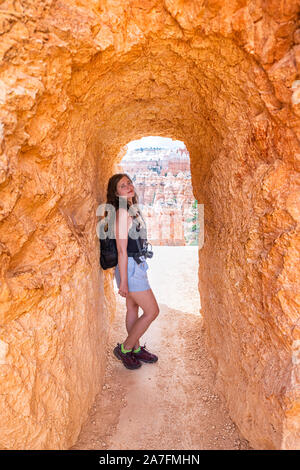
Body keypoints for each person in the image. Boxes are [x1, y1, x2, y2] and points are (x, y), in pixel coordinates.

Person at [105, 173, 160, 370]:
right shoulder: (122, 213)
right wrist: (124, 282)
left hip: (134, 266)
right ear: (115, 192)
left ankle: (135, 349)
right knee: (152, 311)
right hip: (130, 269)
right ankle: (125, 348)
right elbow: (121, 249)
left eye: (129, 183)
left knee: (132, 309)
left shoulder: (129, 208)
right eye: (122, 185)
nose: (128, 186)